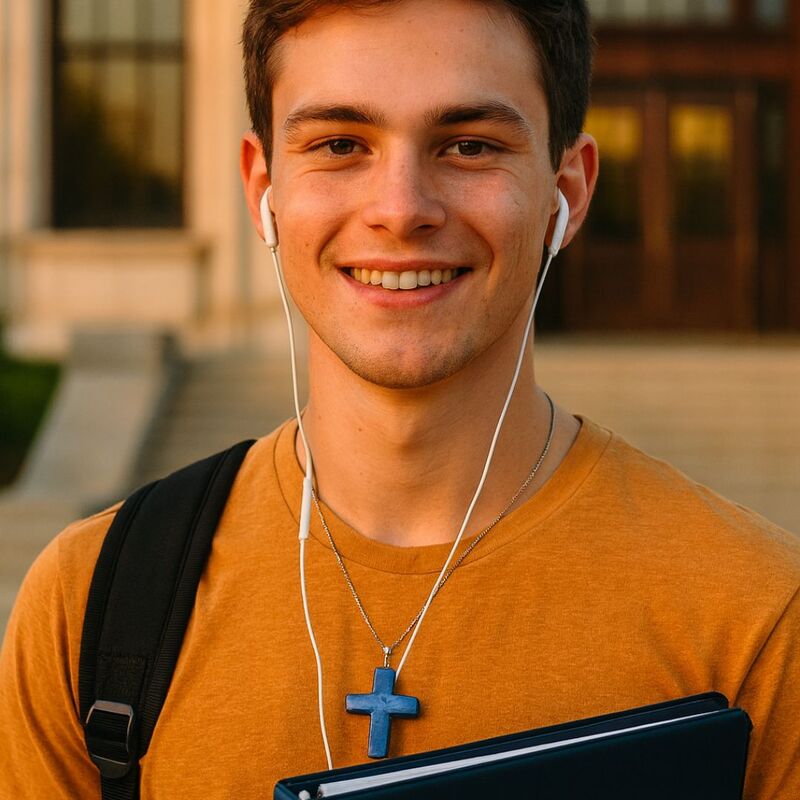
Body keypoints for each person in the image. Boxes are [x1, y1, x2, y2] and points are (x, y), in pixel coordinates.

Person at [1, 0, 798, 797]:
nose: (400, 209)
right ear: (262, 189)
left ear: (568, 191)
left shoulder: (759, 620)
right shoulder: (91, 603)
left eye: (469, 146)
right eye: (340, 144)